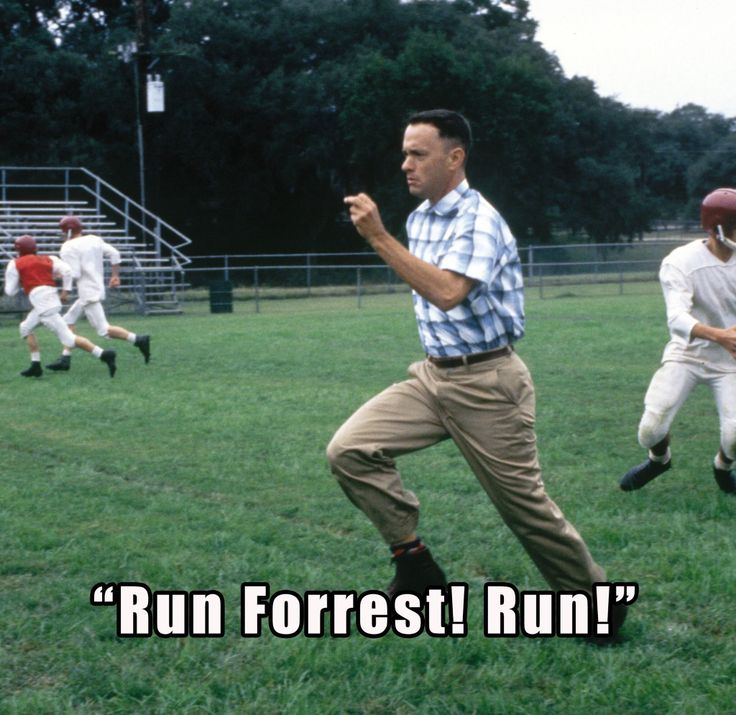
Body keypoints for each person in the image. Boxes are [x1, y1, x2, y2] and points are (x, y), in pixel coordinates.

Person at [326, 109, 627, 641]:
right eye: (405, 153)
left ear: (455, 157)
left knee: (525, 510)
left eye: (418, 153)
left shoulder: (480, 220)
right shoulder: (420, 220)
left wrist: (378, 237)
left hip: (488, 383)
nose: (406, 165)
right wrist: (391, 237)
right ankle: (416, 566)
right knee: (349, 450)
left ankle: (596, 604)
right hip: (432, 378)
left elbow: (446, 292)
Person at [620, 188, 736, 494]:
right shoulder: (681, 261)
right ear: (717, 227)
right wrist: (721, 335)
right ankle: (659, 461)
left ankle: (723, 467)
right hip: (688, 355)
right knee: (650, 429)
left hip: (731, 361)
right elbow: (677, 318)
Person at [44, 215, 150, 372]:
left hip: (88, 292)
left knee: (104, 331)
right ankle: (65, 359)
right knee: (68, 321)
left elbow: (75, 274)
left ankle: (139, 339)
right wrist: (115, 276)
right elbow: (115, 254)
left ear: (68, 231)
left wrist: (57, 275)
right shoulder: (93, 239)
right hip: (95, 288)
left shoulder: (68, 247)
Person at [4, 235, 117, 378]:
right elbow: (68, 272)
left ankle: (104, 354)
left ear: (18, 249)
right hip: (51, 298)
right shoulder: (50, 258)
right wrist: (65, 291)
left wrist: (22, 280)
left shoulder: (15, 263)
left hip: (43, 303)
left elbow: (10, 291)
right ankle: (35, 366)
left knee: (69, 339)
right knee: (25, 327)